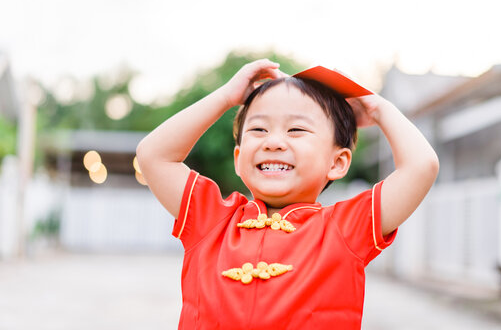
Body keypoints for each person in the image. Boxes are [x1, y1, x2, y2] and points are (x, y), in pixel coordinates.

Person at [136, 59, 439, 329]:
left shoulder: (347, 228)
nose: (274, 142)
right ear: (239, 158)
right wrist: (225, 98)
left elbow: (421, 166)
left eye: (296, 130)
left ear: (337, 162)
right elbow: (152, 155)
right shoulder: (210, 218)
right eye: (258, 130)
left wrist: (377, 106)